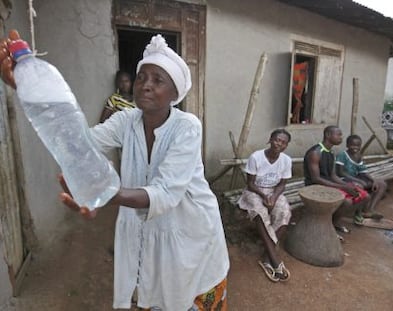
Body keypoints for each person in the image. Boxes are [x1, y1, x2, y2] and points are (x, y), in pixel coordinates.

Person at [0, 31, 230, 311]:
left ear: (174, 94)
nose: (145, 85)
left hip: (192, 232)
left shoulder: (187, 127)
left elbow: (167, 193)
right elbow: (78, 144)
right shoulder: (125, 121)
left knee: (192, 295)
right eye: (142, 77)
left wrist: (102, 192)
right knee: (157, 294)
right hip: (154, 236)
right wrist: (27, 89)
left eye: (158, 80)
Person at [238, 129, 292, 282]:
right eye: (276, 140)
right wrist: (264, 196)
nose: (278, 144)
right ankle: (274, 259)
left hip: (273, 192)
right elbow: (249, 184)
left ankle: (267, 256)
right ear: (270, 139)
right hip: (254, 191)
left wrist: (274, 197)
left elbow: (282, 184)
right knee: (260, 213)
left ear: (286, 146)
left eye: (283, 142)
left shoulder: (286, 160)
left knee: (284, 212)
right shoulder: (256, 157)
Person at [303, 126, 370, 234]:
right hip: (315, 186)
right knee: (347, 202)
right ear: (328, 135)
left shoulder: (331, 153)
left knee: (365, 196)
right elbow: (316, 179)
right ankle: (333, 222)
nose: (341, 137)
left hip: (329, 184)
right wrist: (344, 187)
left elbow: (333, 176)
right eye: (338, 134)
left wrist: (348, 186)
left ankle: (334, 220)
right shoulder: (315, 153)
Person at [335, 134, 386, 222]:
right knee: (359, 186)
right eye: (353, 145)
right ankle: (358, 212)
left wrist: (373, 180)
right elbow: (340, 172)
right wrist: (358, 180)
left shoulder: (358, 156)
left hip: (355, 178)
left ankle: (369, 209)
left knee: (382, 184)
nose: (355, 147)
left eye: (358, 145)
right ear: (347, 145)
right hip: (343, 180)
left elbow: (363, 171)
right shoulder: (342, 155)